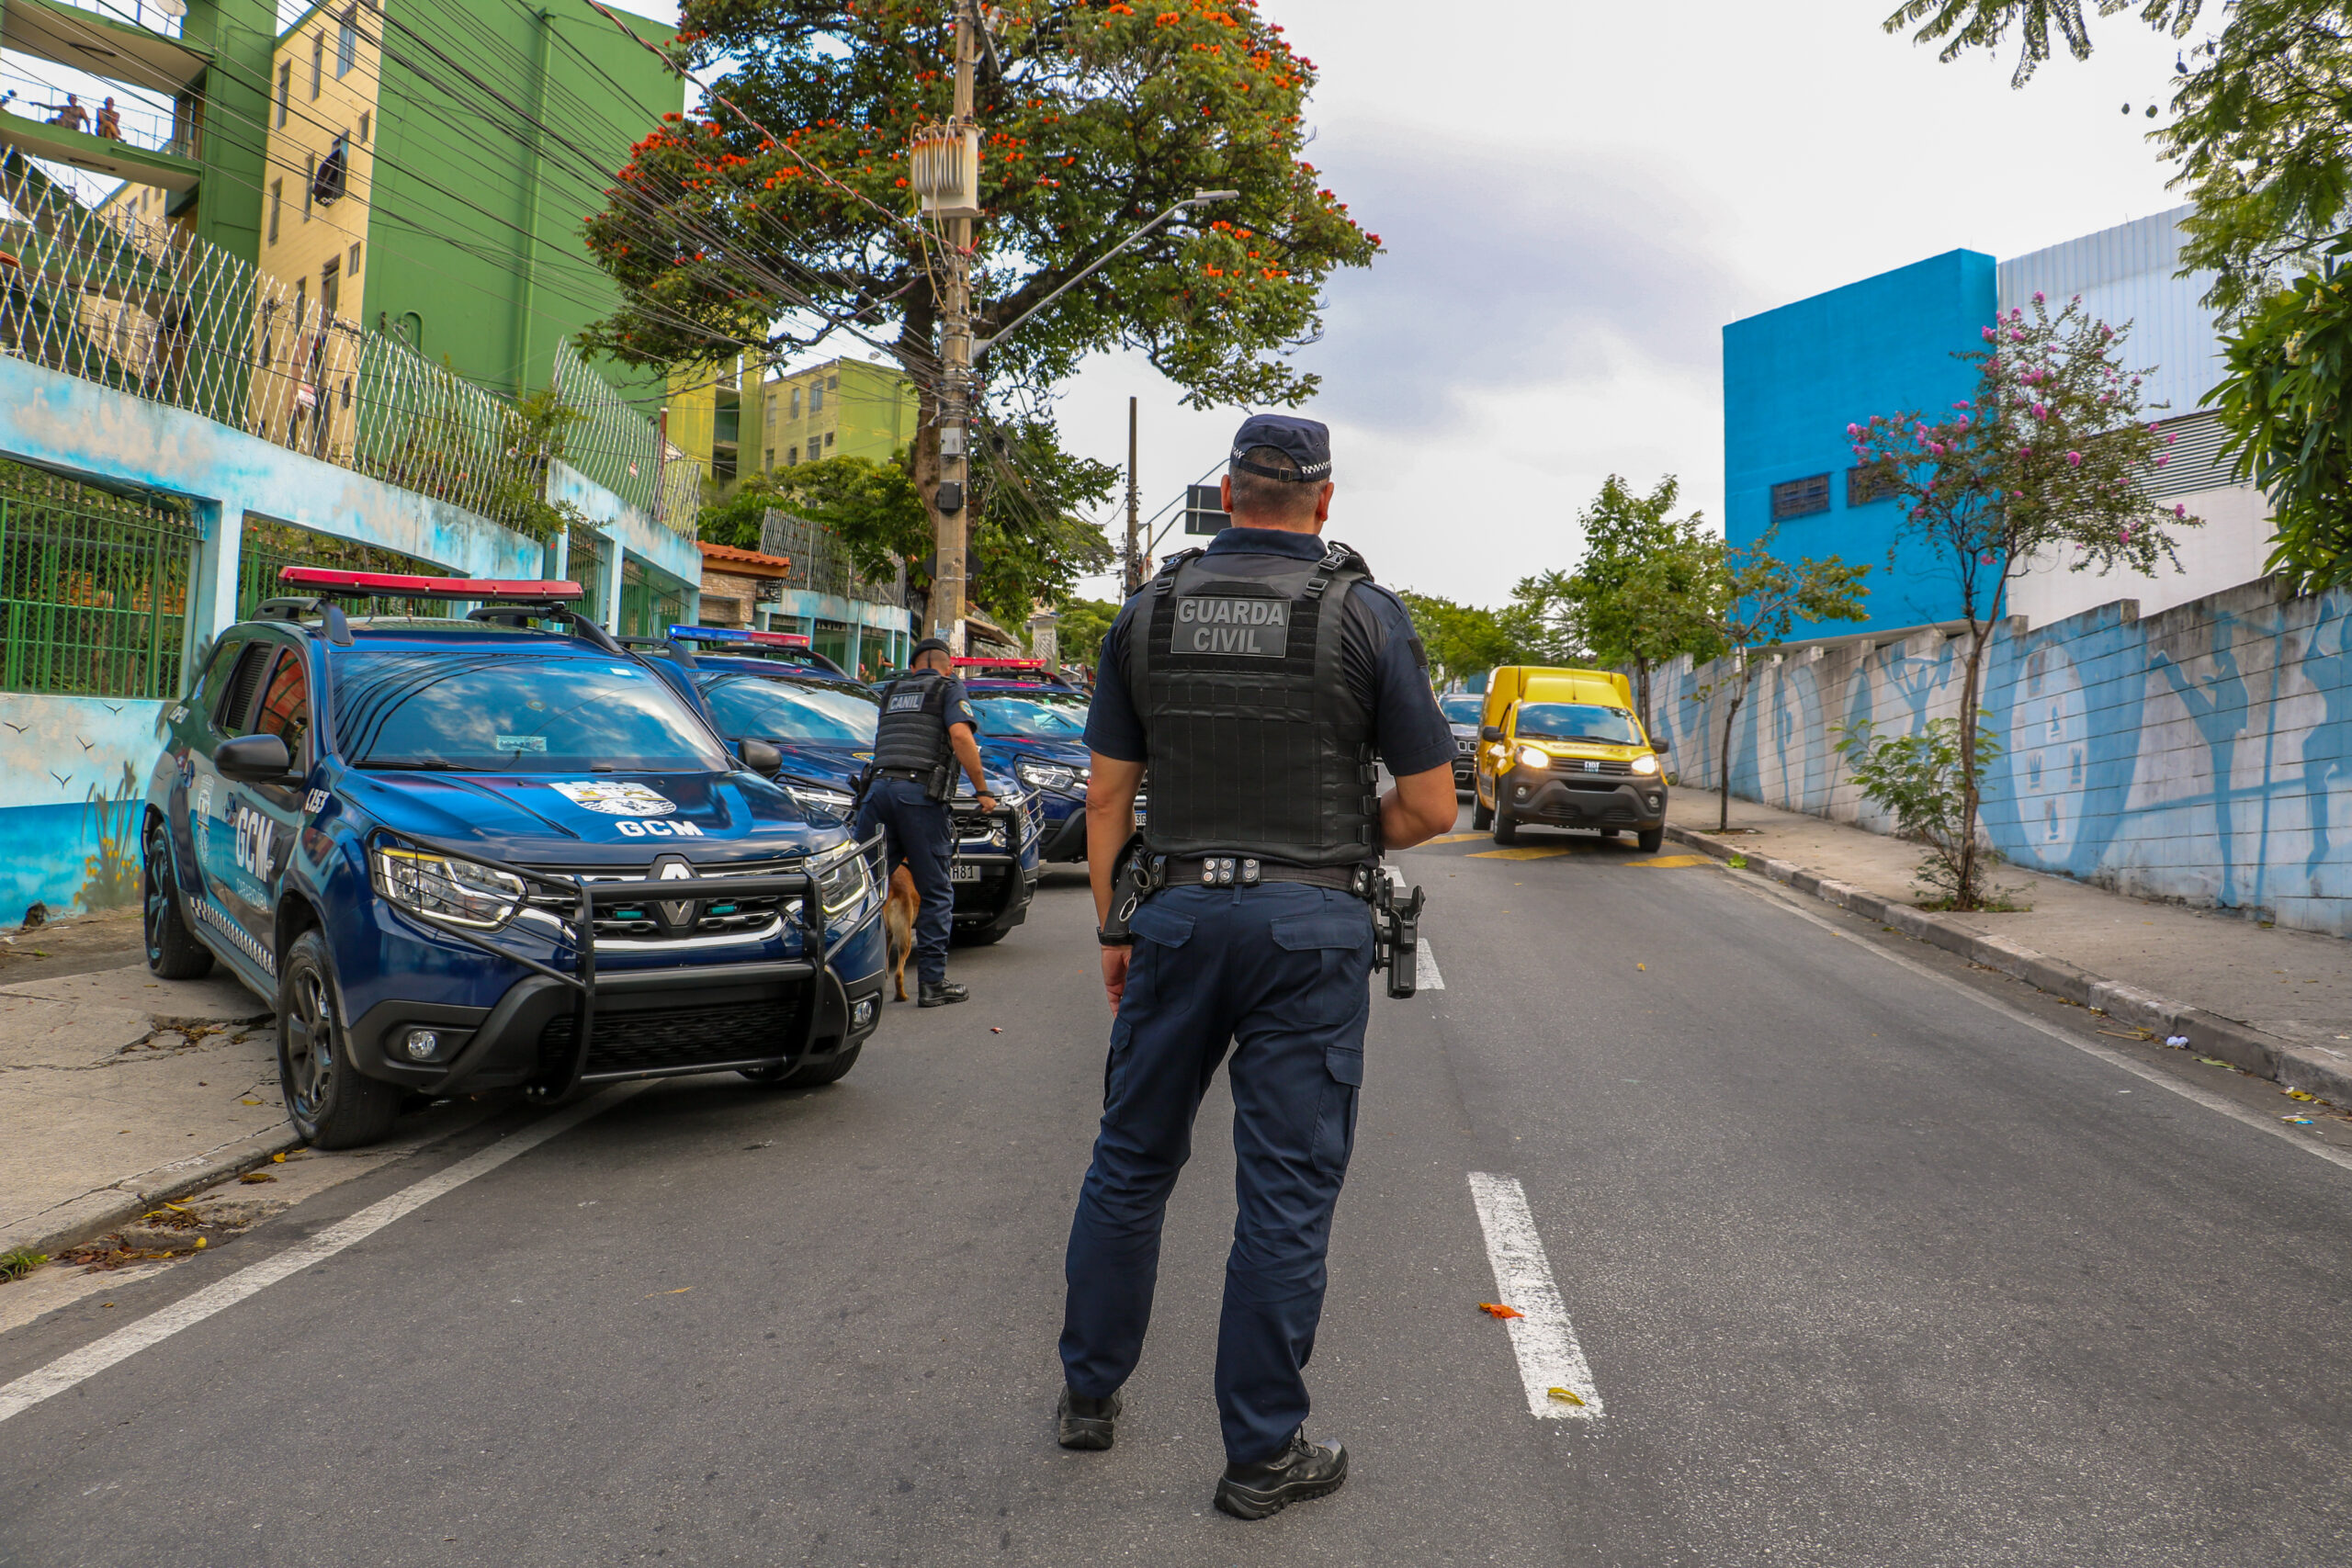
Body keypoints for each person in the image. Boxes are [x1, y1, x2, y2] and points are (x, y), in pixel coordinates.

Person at [1055, 414, 1460, 1519]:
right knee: (1282, 1196)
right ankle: (1258, 1458)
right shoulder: (1364, 615)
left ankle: (1088, 1397)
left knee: (1130, 1162)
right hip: (1308, 927)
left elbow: (1104, 798)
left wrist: (1112, 930)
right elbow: (1429, 806)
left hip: (1176, 915)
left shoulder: (1148, 612)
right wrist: (1336, 835)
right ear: (1323, 503)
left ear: (1226, 495)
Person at [854, 636, 995, 1006]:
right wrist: (982, 790)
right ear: (948, 667)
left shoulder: (893, 690)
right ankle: (932, 984)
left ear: (914, 666)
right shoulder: (949, 687)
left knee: (865, 888)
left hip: (877, 792)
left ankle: (853, 982)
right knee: (936, 891)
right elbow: (961, 735)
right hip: (917, 797)